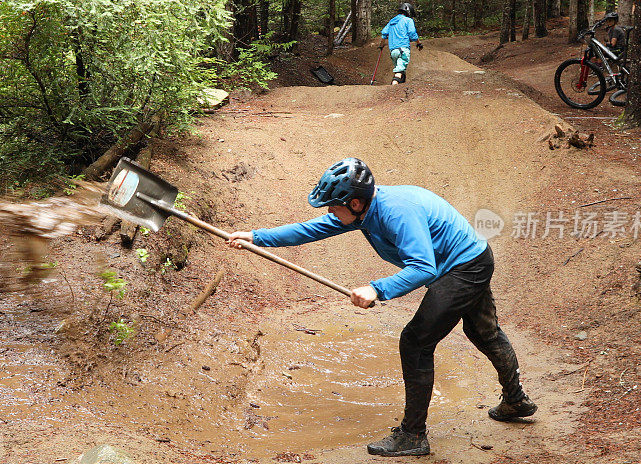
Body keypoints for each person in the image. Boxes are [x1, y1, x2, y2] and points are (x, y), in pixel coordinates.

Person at [226, 158, 537, 457]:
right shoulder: (363, 211)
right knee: (484, 333)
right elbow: (311, 229)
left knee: (416, 342)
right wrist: (257, 237)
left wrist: (377, 288)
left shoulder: (396, 212)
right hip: (467, 260)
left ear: (355, 203)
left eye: (334, 206)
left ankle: (412, 436)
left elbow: (424, 268)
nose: (331, 212)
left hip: (465, 267)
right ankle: (516, 402)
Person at [378, 2, 424, 85]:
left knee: (400, 71)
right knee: (399, 71)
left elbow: (384, 33)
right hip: (403, 49)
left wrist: (381, 46)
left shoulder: (392, 21)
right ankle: (393, 88)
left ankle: (400, 89)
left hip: (393, 51)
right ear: (409, 12)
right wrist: (418, 43)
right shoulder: (408, 20)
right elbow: (412, 33)